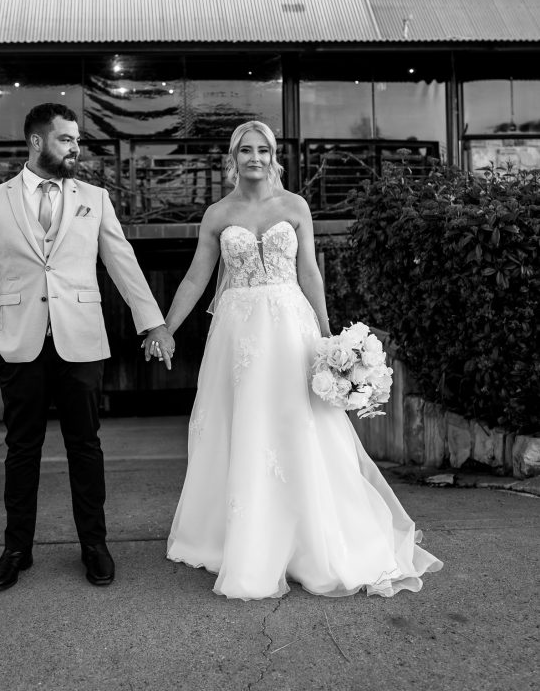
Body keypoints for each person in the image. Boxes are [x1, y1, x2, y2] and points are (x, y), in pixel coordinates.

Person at [144, 120, 442, 599]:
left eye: (263, 150)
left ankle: (313, 539)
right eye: (246, 150)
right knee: (244, 425)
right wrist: (166, 327)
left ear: (273, 156)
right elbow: (196, 278)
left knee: (299, 424)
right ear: (233, 158)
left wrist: (328, 337)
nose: (255, 158)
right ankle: (245, 538)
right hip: (238, 335)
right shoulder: (218, 214)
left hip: (291, 329)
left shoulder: (295, 206)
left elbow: (309, 273)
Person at [0, 103, 174, 592]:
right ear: (37, 142)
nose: (76, 148)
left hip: (81, 342)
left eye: (77, 140)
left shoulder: (94, 198)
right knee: (21, 450)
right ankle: (16, 550)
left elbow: (122, 262)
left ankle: (94, 545)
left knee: (85, 447)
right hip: (17, 345)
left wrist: (153, 324)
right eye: (66, 139)